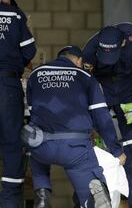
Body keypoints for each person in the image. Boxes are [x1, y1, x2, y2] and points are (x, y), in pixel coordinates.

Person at [25, 46, 125, 208]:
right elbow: (101, 117)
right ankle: (94, 197)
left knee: (36, 155)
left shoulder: (36, 74)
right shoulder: (85, 76)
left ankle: (42, 196)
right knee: (91, 182)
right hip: (75, 148)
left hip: (42, 145)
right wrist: (116, 151)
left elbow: (32, 110)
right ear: (79, 61)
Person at [83, 23, 132, 208]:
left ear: (122, 44)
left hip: (129, 91)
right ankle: (95, 199)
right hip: (102, 90)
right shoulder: (90, 48)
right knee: (97, 147)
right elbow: (87, 80)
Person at [0, 0, 36, 208]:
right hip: (6, 85)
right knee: (12, 142)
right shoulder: (14, 16)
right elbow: (30, 51)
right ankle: (10, 200)